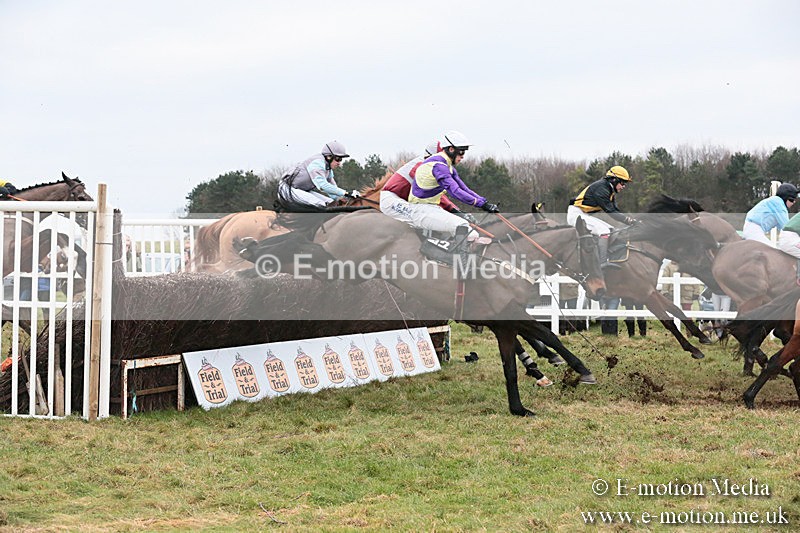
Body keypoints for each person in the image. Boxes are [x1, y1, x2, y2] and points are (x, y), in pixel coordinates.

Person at [408, 130, 498, 248]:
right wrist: (479, 204)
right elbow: (455, 191)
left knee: (473, 234)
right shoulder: (438, 166)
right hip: (420, 210)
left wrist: (484, 202)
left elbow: (464, 188)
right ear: (451, 149)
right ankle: (461, 262)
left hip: (432, 209)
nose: (462, 157)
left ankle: (450, 258)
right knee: (463, 226)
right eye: (461, 152)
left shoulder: (447, 166)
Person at [380, 141, 476, 228]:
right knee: (424, 219)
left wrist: (456, 210)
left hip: (402, 200)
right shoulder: (423, 166)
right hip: (391, 200)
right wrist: (455, 211)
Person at [567, 165, 636, 269]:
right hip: (576, 215)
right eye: (622, 182)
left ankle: (606, 256)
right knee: (604, 231)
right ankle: (601, 263)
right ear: (614, 180)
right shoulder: (601, 189)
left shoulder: (609, 190)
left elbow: (615, 210)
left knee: (612, 230)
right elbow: (611, 211)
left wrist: (631, 220)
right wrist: (628, 221)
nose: (623, 186)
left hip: (583, 214)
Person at [277, 141, 359, 207]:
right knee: (320, 204)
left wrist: (346, 198)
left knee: (331, 203)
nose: (339, 163)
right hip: (287, 189)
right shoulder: (317, 163)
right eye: (338, 159)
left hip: (302, 190)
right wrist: (346, 193)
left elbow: (333, 190)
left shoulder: (328, 170)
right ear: (329, 157)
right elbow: (323, 186)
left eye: (341, 159)